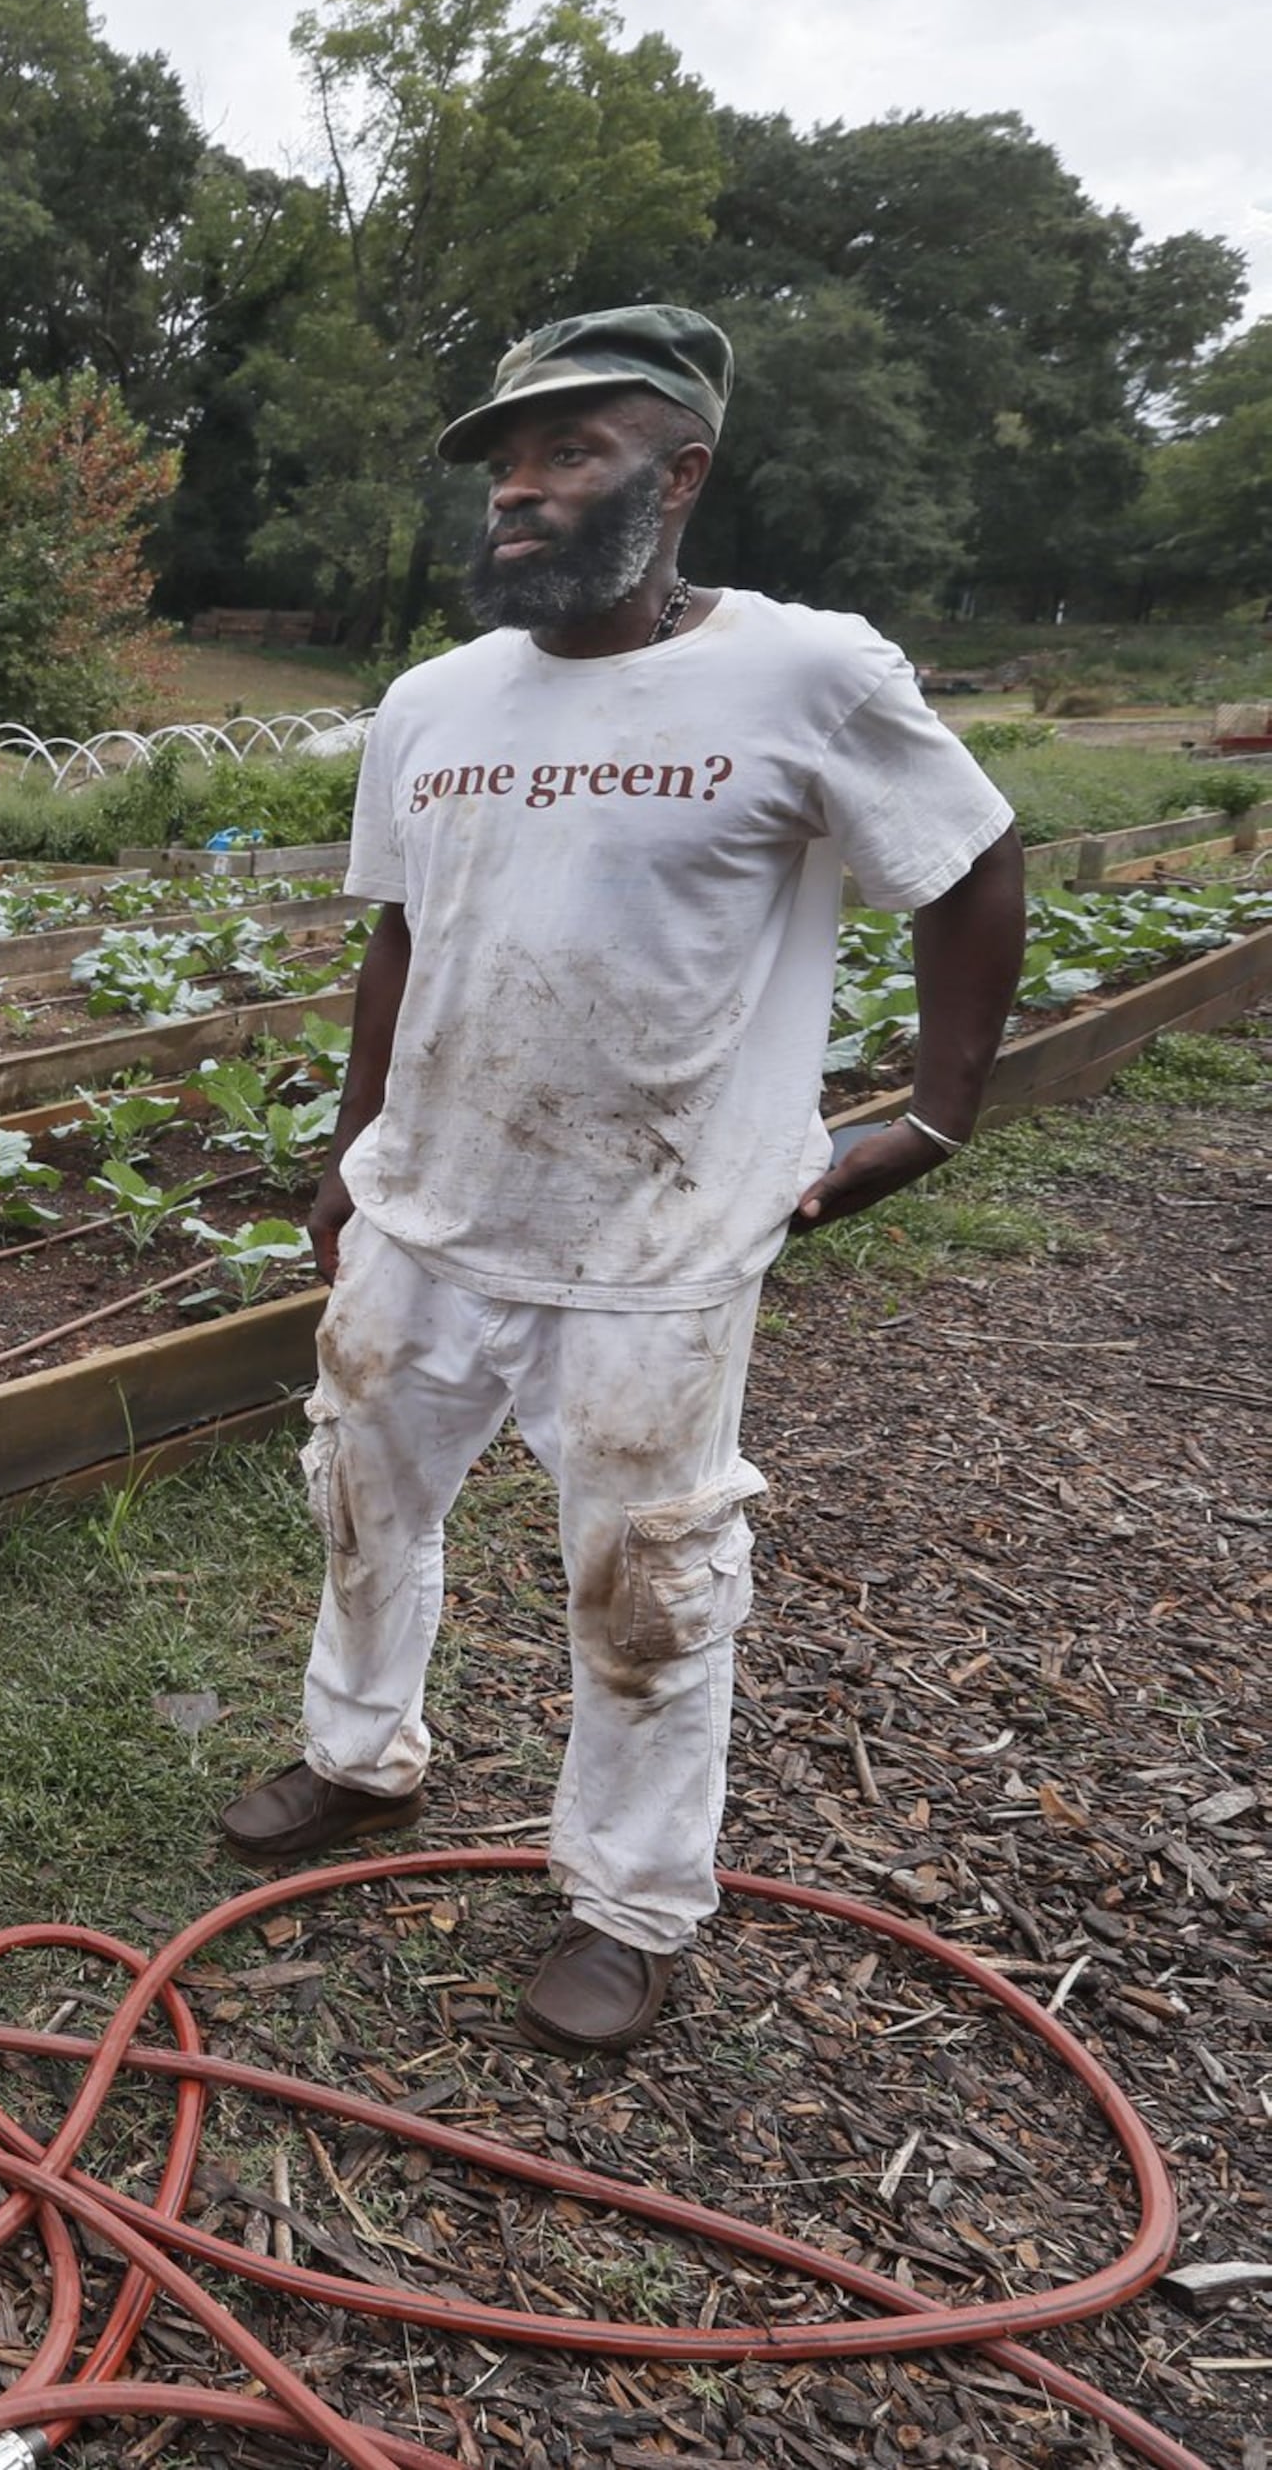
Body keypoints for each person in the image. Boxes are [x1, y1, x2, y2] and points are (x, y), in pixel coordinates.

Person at [212, 305, 1027, 2054]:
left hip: (655, 1236)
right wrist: (356, 1157)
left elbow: (970, 864)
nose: (521, 489)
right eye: (508, 459)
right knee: (361, 1503)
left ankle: (632, 1903)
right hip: (431, 1210)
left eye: (571, 452)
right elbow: (402, 937)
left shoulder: (806, 674)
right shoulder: (435, 702)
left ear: (682, 474)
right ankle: (360, 1758)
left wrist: (936, 1117)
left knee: (650, 1578)